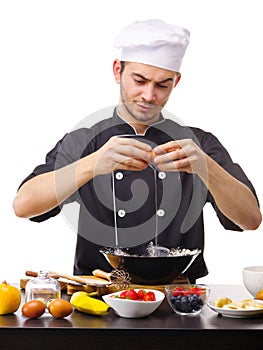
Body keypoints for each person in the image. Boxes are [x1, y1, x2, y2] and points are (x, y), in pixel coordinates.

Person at [13, 19, 261, 283]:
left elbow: (251, 219)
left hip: (178, 300)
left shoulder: (197, 143)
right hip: (99, 297)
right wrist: (92, 164)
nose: (148, 95)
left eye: (162, 85)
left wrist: (205, 167)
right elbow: (24, 205)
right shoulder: (84, 141)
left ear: (176, 82)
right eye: (139, 80)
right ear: (118, 71)